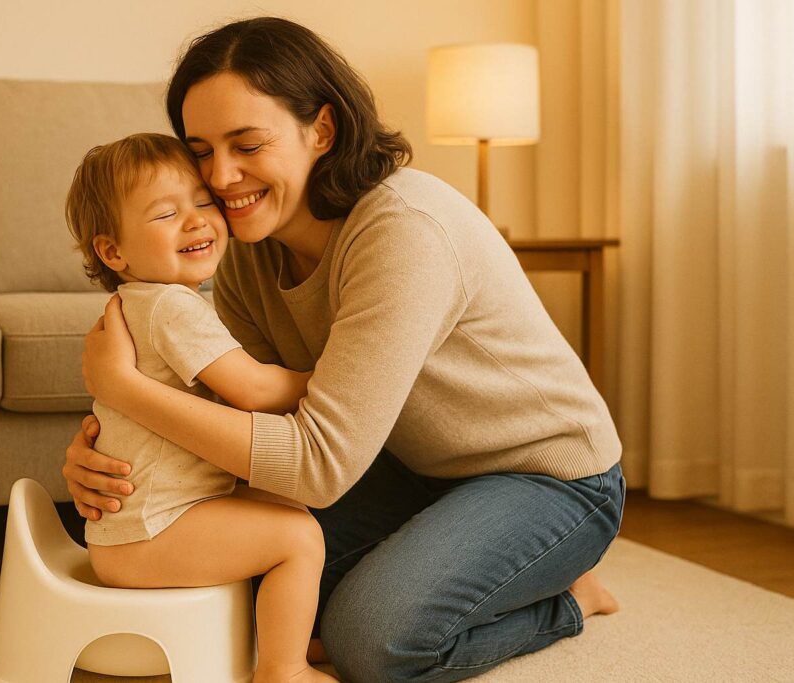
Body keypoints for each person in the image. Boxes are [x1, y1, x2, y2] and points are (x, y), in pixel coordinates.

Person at [64, 17, 625, 683]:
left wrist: (131, 391)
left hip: (547, 478)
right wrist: (114, 451)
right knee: (254, 582)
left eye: (246, 144)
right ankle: (468, 556)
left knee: (373, 640)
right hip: (405, 467)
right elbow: (243, 418)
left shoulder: (402, 232)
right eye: (202, 150)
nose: (220, 176)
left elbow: (315, 466)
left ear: (321, 131)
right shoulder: (246, 255)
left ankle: (566, 597)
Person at [65, 132, 336, 683]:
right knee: (298, 537)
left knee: (283, 500)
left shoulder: (141, 302)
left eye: (203, 203)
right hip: (153, 531)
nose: (196, 222)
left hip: (134, 528)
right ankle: (284, 671)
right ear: (113, 251)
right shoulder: (171, 306)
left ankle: (285, 632)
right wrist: (326, 377)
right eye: (167, 214)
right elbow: (254, 390)